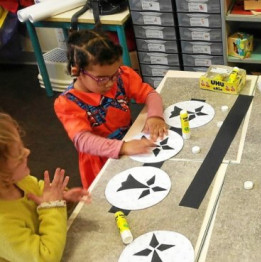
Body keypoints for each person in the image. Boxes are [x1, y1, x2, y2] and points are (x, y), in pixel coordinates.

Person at [54, 29, 168, 189]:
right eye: (101, 78)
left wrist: (155, 116)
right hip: (100, 164)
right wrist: (123, 147)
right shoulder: (67, 103)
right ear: (77, 71)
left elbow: (150, 93)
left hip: (129, 145)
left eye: (115, 74)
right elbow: (83, 141)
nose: (110, 83)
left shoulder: (121, 76)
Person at [0, 112, 91, 262]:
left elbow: (42, 192)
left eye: (22, 147)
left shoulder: (20, 181)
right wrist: (53, 206)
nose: (27, 152)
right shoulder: (3, 226)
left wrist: (62, 197)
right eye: (19, 157)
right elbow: (45, 257)